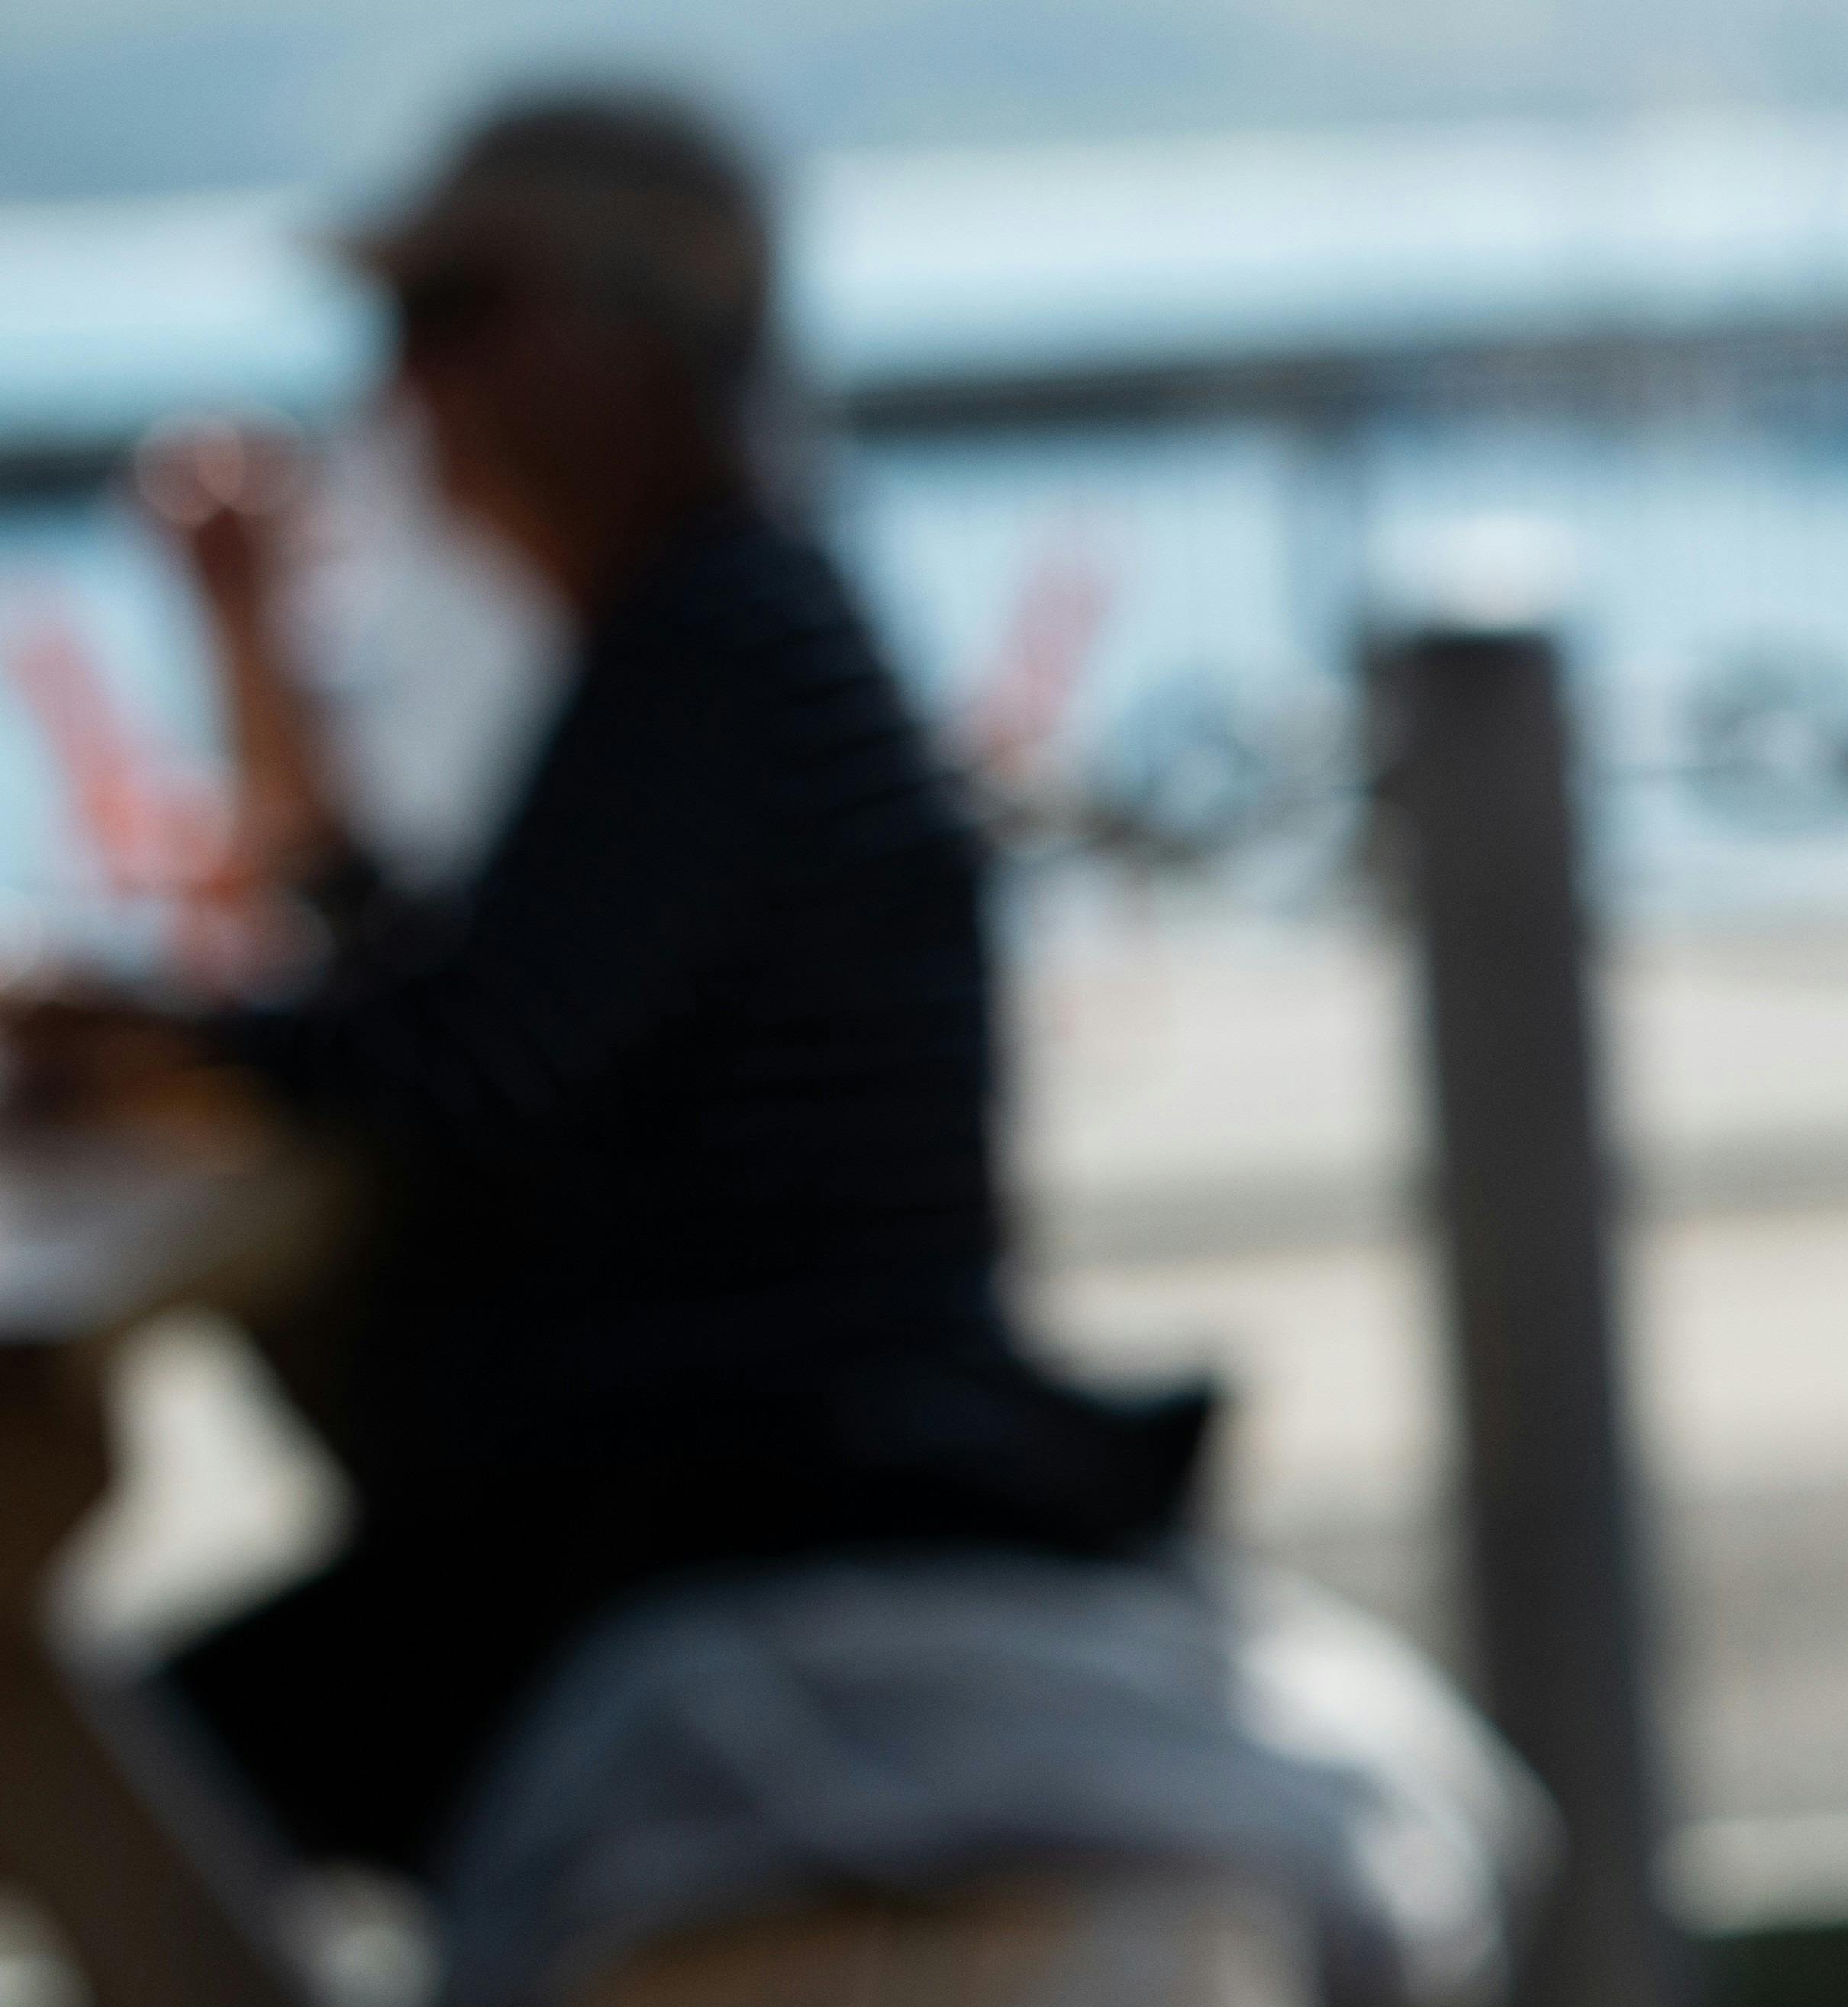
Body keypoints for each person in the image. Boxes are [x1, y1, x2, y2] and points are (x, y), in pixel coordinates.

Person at [4, 92, 1200, 1879]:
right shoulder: (721, 625)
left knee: (121, 1818)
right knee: (130, 1804)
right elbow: (449, 989)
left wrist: (141, 1039)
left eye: (447, 318)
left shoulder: (719, 640)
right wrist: (252, 661)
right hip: (762, 1481)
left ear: (629, 340)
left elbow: (453, 1058)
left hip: (756, 1516)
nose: (404, 390)